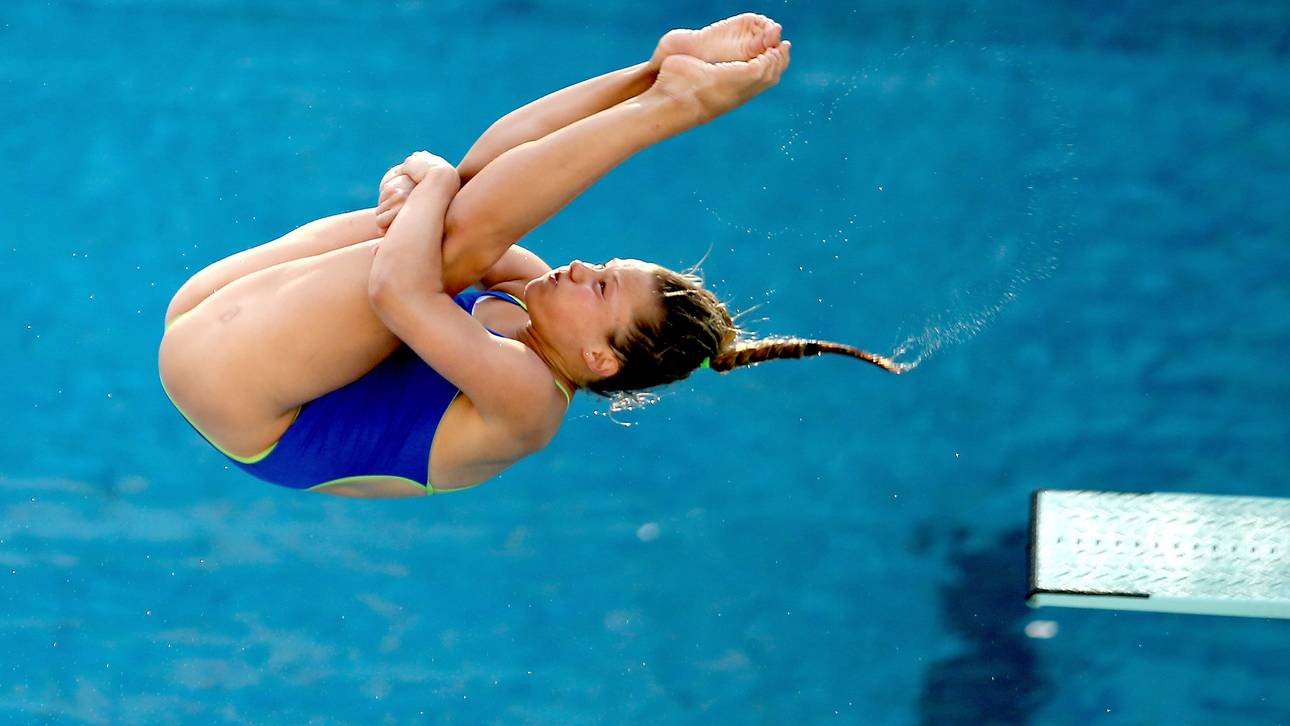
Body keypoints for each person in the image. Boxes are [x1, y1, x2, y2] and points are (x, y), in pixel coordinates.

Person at [158, 13, 901, 499]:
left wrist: (426, 184)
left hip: (241, 398)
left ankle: (677, 107)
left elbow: (400, 293)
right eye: (603, 267)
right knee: (457, 216)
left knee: (447, 238)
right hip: (213, 318)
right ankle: (660, 82)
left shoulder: (528, 402)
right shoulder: (524, 293)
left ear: (600, 358)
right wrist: (645, 72)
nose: (580, 270)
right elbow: (487, 172)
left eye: (601, 290)